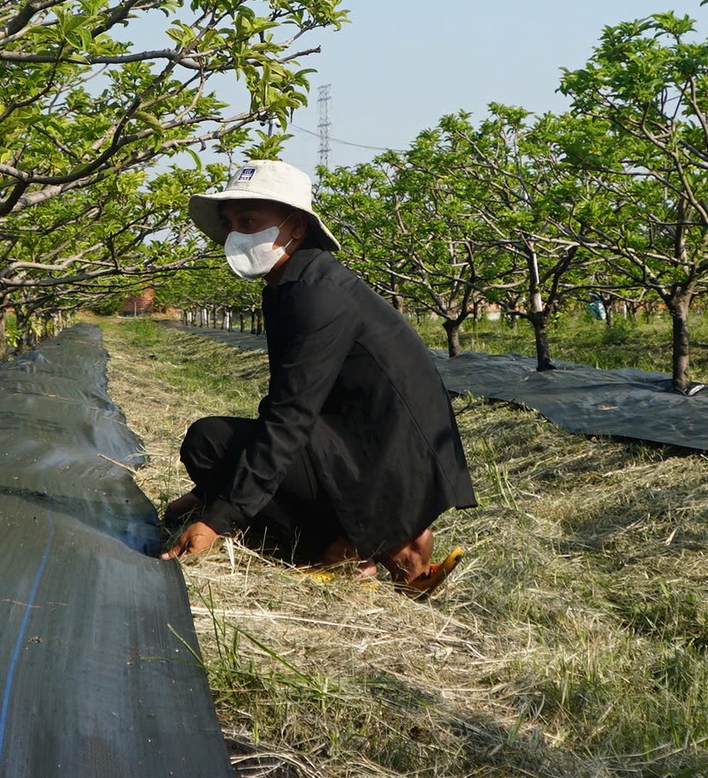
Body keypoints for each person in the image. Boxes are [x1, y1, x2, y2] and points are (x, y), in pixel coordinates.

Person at [159, 159, 477, 597]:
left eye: (249, 221)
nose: (236, 236)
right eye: (231, 225)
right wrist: (209, 495)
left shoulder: (316, 295)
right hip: (367, 449)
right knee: (232, 446)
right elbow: (290, 402)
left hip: (384, 464)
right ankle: (377, 541)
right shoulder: (296, 284)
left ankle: (350, 549)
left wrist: (219, 518)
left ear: (296, 227)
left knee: (208, 442)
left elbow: (290, 416)